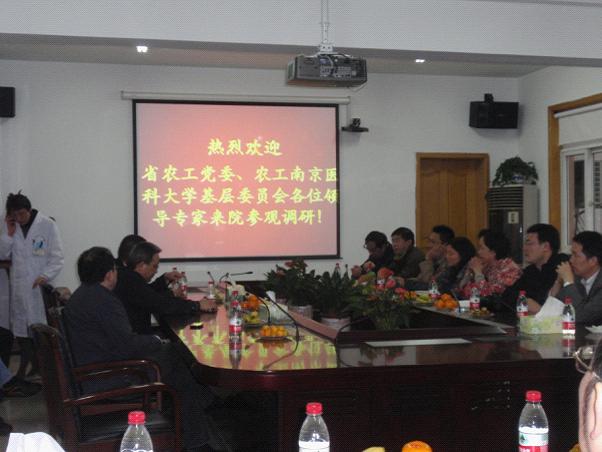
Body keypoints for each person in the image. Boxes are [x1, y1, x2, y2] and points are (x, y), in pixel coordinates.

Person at [63, 247, 218, 451]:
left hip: (95, 371)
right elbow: (128, 346)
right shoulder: (104, 302)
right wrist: (156, 340)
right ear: (109, 274)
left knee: (175, 359)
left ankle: (200, 412)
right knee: (176, 360)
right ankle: (197, 438)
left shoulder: (83, 296)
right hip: (109, 377)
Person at [0, 192, 64, 378]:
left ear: (29, 210)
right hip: (20, 288)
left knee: (41, 331)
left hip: (39, 287)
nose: (19, 219)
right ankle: (29, 367)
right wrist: (9, 234)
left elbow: (57, 257)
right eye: (15, 215)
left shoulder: (47, 225)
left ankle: (45, 370)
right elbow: (3, 254)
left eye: (21, 214)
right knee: (22, 332)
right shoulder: (12, 227)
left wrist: (45, 276)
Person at [114, 241, 208, 335]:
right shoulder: (132, 281)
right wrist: (197, 305)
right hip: (136, 339)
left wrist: (164, 279)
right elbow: (162, 305)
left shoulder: (127, 276)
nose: (156, 271)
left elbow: (147, 293)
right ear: (141, 265)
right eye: (154, 266)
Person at [505, 223, 569, 314]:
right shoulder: (530, 271)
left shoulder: (562, 265)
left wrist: (538, 310)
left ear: (546, 246)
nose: (524, 248)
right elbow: (508, 295)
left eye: (529, 244)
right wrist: (526, 301)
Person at [551, 231, 602, 325]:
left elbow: (581, 316)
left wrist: (568, 282)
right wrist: (558, 282)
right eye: (571, 254)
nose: (571, 260)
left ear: (593, 261)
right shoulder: (576, 278)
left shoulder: (571, 280)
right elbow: (552, 312)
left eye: (576, 255)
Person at [461, 229, 522, 299]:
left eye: (481, 248)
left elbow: (489, 295)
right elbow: (464, 291)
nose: (478, 252)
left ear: (493, 252)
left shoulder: (510, 269)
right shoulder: (487, 266)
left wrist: (478, 272)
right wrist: (470, 272)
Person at [405, 224, 455, 290]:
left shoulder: (448, 264)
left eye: (433, 242)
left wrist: (428, 261)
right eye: (428, 241)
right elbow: (419, 279)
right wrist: (404, 281)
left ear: (445, 245)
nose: (428, 245)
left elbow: (429, 285)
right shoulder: (435, 260)